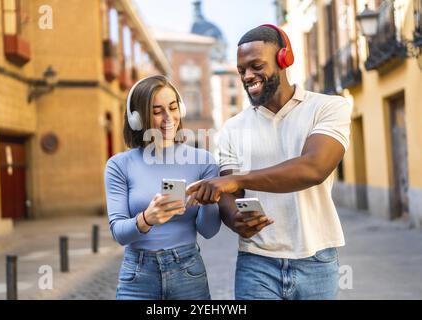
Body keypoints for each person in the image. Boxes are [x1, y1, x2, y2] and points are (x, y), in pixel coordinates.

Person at [186, 24, 353, 300]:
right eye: (241, 70)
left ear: (284, 60)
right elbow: (231, 196)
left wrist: (238, 179)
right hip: (256, 263)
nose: (247, 76)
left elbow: (314, 168)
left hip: (318, 260)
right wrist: (234, 219)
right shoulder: (232, 128)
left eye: (255, 66)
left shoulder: (328, 107)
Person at [105, 75, 221, 300]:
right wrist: (147, 218)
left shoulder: (204, 161)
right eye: (157, 111)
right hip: (137, 274)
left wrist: (208, 202)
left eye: (173, 107)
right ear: (137, 119)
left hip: (187, 270)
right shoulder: (119, 165)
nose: (169, 118)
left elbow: (209, 231)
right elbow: (119, 233)